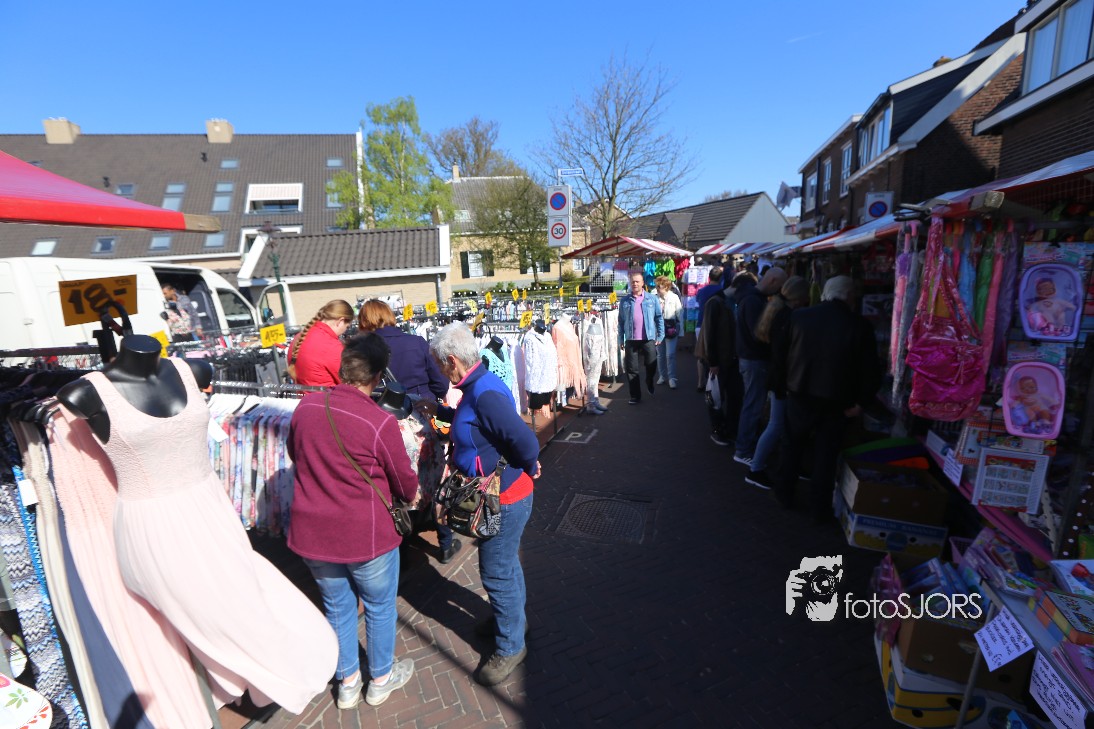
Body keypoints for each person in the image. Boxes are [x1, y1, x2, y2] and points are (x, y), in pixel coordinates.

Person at [287, 334, 419, 710]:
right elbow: (405, 483)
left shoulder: (305, 408)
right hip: (366, 534)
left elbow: (295, 454)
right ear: (377, 377)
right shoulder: (379, 421)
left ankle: (347, 683)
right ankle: (380, 680)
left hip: (314, 532)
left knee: (337, 607)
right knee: (378, 606)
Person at [422, 323, 541, 686]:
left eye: (439, 364)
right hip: (503, 495)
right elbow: (480, 427)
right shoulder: (477, 385)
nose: (438, 371)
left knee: (496, 572)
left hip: (504, 499)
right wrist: (442, 414)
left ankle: (511, 646)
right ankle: (514, 622)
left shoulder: (483, 393)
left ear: (451, 360)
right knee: (506, 564)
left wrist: (529, 463)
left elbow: (525, 441)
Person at [771, 276, 882, 523]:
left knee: (791, 446)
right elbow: (870, 369)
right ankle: (818, 507)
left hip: (800, 393)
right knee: (826, 456)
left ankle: (784, 493)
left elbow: (780, 355)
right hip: (837, 401)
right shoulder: (859, 325)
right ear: (849, 295)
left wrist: (781, 387)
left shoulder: (799, 317)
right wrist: (862, 402)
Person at [357, 298, 459, 563]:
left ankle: (402, 545)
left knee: (394, 481)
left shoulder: (364, 349)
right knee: (435, 477)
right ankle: (445, 542)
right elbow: (440, 384)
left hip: (383, 422)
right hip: (421, 416)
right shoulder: (416, 342)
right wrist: (429, 398)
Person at [744, 276, 809, 491]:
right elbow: (784, 355)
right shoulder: (787, 317)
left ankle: (762, 466)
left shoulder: (777, 311)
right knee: (776, 424)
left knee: (777, 424)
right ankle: (755, 469)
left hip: (778, 377)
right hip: (781, 380)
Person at [733, 266, 788, 467]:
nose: (780, 290)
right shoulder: (753, 301)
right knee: (753, 404)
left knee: (752, 403)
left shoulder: (750, 298)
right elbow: (759, 334)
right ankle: (743, 449)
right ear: (773, 281)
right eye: (780, 285)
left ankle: (746, 445)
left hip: (750, 358)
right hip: (754, 359)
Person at [358, 299, 449, 401]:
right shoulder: (417, 342)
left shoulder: (361, 350)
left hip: (382, 405)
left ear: (364, 321)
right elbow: (441, 384)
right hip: (421, 404)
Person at [700, 272, 752, 447]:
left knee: (735, 396)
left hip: (733, 358)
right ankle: (718, 430)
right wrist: (713, 362)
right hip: (720, 360)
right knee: (716, 397)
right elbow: (709, 334)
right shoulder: (715, 302)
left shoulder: (732, 302)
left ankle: (730, 429)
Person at [618, 270, 664, 405]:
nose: (635, 284)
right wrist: (621, 339)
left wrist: (660, 335)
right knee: (632, 369)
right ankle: (635, 396)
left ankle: (649, 380)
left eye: (637, 281)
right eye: (633, 282)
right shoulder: (625, 301)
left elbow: (658, 318)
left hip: (648, 338)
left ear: (643, 283)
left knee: (651, 363)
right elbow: (620, 321)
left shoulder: (652, 299)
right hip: (631, 339)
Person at [287, 300, 354, 387]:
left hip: (302, 395)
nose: (345, 331)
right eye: (347, 327)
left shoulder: (298, 337)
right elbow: (348, 383)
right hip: (327, 395)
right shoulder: (332, 346)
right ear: (340, 321)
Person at [694, 266, 724, 392]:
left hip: (700, 324)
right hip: (717, 327)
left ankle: (700, 382)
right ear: (721, 278)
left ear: (709, 277)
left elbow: (697, 302)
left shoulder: (701, 291)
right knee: (716, 354)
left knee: (701, 355)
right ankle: (713, 384)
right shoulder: (722, 291)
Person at [654, 275, 683, 389]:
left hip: (671, 328)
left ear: (666, 287)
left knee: (670, 355)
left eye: (659, 287)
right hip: (658, 330)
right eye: (656, 286)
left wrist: (681, 332)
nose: (657, 289)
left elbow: (680, 314)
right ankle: (662, 376)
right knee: (660, 355)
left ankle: (672, 378)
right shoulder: (654, 297)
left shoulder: (674, 297)